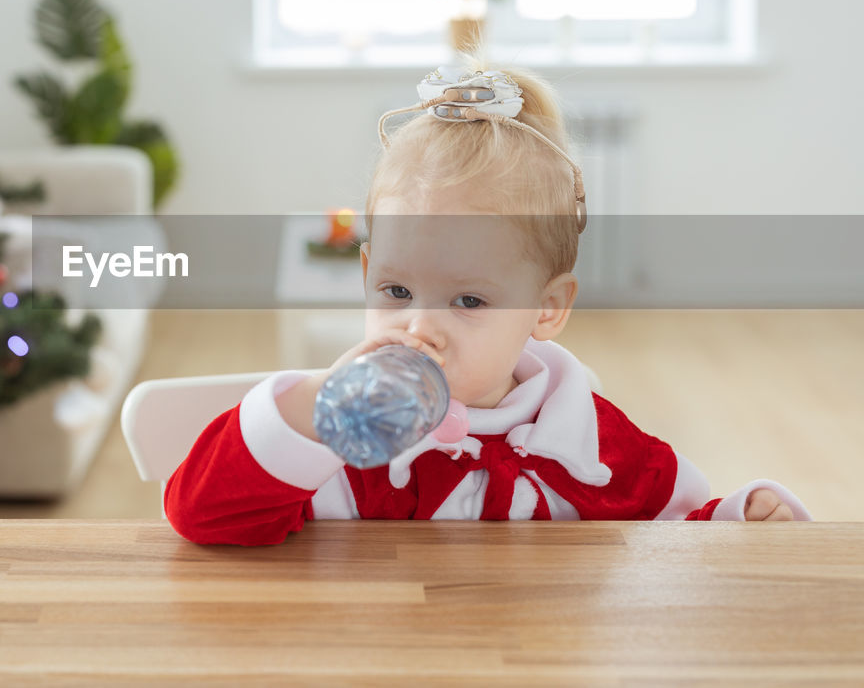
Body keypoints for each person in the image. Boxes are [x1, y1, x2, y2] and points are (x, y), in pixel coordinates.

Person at [165, 57, 812, 546]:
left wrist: (739, 519)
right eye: (395, 290)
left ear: (547, 308)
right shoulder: (349, 444)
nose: (420, 326)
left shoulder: (595, 446)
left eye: (468, 299)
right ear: (366, 273)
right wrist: (312, 407)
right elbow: (201, 514)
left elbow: (676, 540)